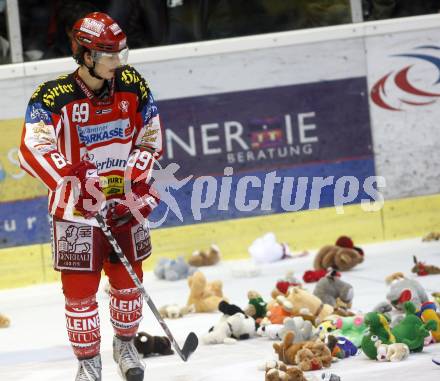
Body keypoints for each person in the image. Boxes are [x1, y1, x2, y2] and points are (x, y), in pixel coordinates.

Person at [19, 12, 163, 381]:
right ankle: (88, 362)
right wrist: (71, 177)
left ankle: (126, 345)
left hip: (124, 203)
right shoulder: (52, 96)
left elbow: (149, 134)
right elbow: (31, 148)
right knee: (79, 293)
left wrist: (137, 185)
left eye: (120, 53)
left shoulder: (133, 84)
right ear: (85, 56)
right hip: (76, 210)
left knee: (129, 282)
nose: (119, 62)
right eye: (109, 55)